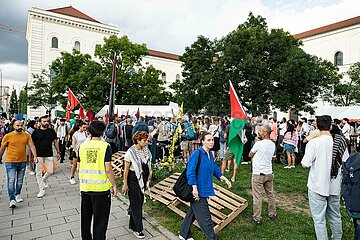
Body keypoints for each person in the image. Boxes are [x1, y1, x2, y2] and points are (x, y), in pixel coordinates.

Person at [301, 115, 349, 240]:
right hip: (334, 185)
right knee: (335, 215)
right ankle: (337, 237)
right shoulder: (340, 142)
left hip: (317, 185)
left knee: (319, 220)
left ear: (316, 126)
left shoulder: (314, 143)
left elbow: (305, 164)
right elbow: (346, 162)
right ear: (331, 126)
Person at [179, 132, 231, 240]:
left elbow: (214, 168)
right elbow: (190, 172)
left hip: (204, 189)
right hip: (198, 191)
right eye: (208, 140)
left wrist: (223, 178)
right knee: (206, 219)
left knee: (192, 213)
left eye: (212, 140)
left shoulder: (210, 154)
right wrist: (194, 188)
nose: (211, 142)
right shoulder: (197, 154)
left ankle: (183, 234)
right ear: (202, 141)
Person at [78, 120, 118, 240]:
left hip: (85, 188)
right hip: (101, 190)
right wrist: (114, 185)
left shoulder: (82, 146)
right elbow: (108, 169)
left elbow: (79, 167)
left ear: (89, 131)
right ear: (103, 132)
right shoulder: (105, 147)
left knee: (85, 219)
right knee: (100, 221)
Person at [0, 120, 38, 208]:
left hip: (22, 161)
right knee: (11, 180)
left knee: (20, 180)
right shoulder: (8, 136)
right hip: (10, 161)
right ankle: (12, 199)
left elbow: (32, 146)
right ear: (13, 126)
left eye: (21, 125)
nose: (20, 127)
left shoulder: (26, 135)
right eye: (17, 125)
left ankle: (17, 194)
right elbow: (2, 149)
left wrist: (35, 156)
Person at [122, 131, 152, 239]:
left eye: (146, 140)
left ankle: (133, 217)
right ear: (138, 140)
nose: (146, 142)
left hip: (142, 178)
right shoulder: (130, 152)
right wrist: (125, 183)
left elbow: (148, 162)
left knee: (138, 202)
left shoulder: (146, 150)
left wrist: (150, 172)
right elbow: (125, 170)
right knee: (136, 203)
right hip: (133, 178)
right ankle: (138, 229)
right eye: (144, 140)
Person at [248, 124, 277, 225]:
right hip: (269, 172)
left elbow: (250, 154)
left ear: (265, 133)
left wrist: (257, 143)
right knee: (270, 194)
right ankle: (272, 213)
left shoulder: (258, 144)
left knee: (257, 196)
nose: (258, 132)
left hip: (258, 174)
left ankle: (257, 217)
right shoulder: (272, 144)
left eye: (260, 131)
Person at [32, 116, 61, 198]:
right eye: (44, 121)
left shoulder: (51, 131)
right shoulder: (35, 132)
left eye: (47, 121)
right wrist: (33, 156)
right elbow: (32, 145)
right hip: (38, 155)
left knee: (50, 171)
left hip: (49, 154)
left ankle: (43, 180)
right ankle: (41, 190)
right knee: (38, 173)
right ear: (40, 122)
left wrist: (58, 152)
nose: (46, 123)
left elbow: (55, 142)